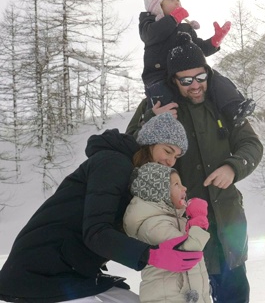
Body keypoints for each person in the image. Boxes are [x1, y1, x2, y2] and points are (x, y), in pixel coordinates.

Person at [0, 113, 202, 303]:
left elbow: (140, 226)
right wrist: (150, 255)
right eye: (167, 151)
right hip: (40, 270)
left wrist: (186, 220)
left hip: (77, 271)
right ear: (149, 143)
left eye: (176, 156)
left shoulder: (140, 178)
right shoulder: (113, 163)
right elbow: (96, 232)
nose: (170, 161)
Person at [126, 32, 264, 303]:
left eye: (200, 77)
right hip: (179, 230)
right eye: (186, 80)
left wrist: (233, 168)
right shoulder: (155, 106)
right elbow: (130, 149)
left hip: (227, 226)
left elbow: (252, 145)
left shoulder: (223, 105)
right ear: (173, 80)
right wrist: (152, 120)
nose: (195, 85)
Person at [140, 0, 255, 127]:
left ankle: (234, 108)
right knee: (162, 100)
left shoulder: (184, 27)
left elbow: (199, 48)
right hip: (159, 75)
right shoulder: (148, 23)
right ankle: (161, 126)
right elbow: (151, 35)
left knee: (215, 79)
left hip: (187, 72)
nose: (176, 2)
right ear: (157, 6)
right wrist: (173, 19)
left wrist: (214, 42)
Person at [124, 162, 212, 303]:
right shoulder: (153, 225)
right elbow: (189, 251)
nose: (184, 188)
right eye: (176, 184)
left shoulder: (177, 221)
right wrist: (199, 219)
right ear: (159, 191)